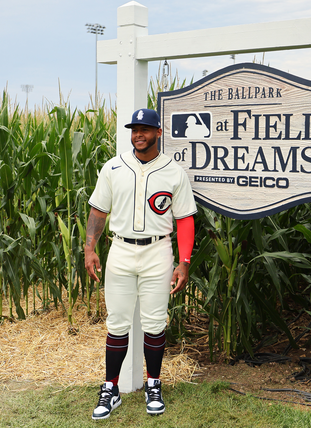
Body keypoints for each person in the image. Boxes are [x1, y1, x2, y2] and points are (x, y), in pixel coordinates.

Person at [84, 108, 197, 420]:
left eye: (145, 129)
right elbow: (98, 212)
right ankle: (111, 388)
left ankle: (154, 384)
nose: (139, 134)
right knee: (117, 323)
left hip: (158, 252)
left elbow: (185, 220)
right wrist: (89, 248)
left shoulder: (173, 171)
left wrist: (184, 262)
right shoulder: (114, 167)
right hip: (119, 250)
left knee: (154, 323)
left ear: (158, 133)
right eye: (135, 129)